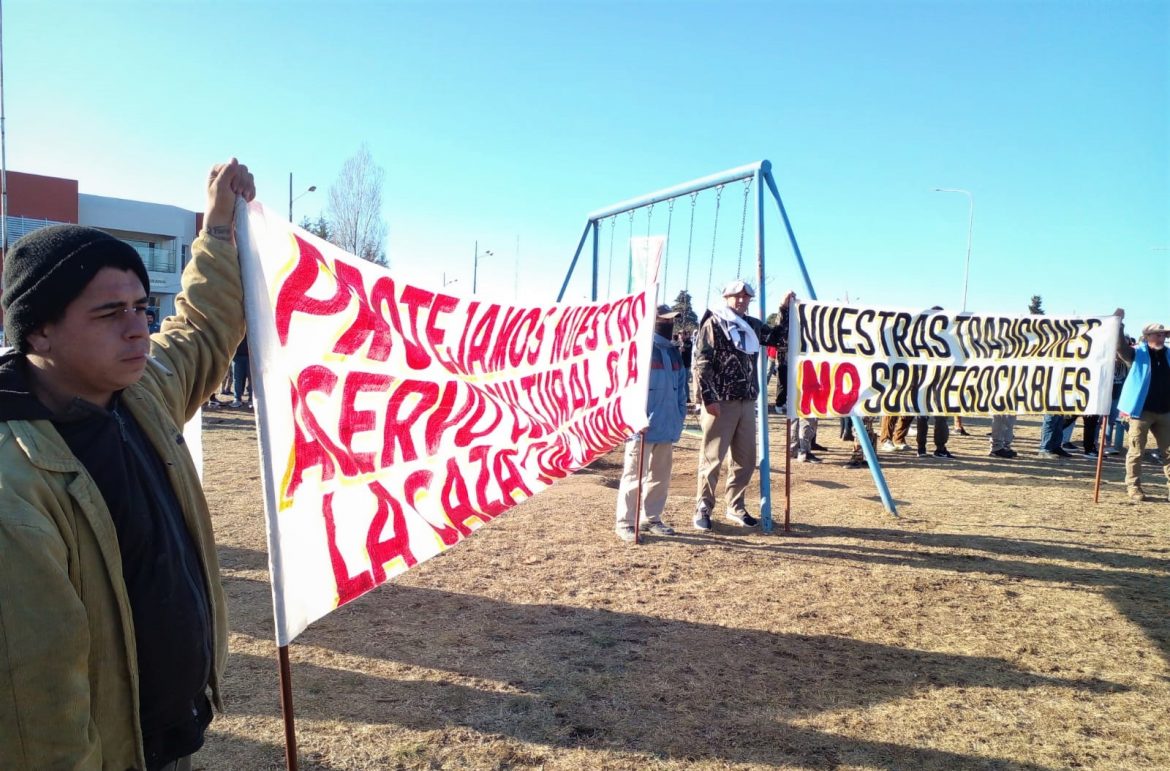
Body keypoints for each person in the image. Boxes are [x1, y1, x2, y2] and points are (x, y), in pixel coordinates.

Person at [0, 159, 255, 770]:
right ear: (38, 332)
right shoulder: (15, 479)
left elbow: (201, 328)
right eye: (110, 313)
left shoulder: (140, 395)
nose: (139, 329)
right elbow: (36, 702)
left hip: (170, 731)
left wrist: (218, 226)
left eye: (142, 308)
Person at [693, 281, 789, 530]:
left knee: (745, 459)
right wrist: (709, 397)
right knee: (712, 458)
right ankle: (703, 507)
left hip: (746, 400)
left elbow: (778, 338)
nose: (741, 300)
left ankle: (735, 505)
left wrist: (784, 309)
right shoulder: (714, 323)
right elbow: (702, 362)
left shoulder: (753, 326)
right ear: (726, 297)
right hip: (720, 401)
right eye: (736, 296)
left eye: (746, 297)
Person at [614, 305, 688, 542]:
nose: (669, 324)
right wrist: (634, 418)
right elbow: (626, 388)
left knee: (660, 477)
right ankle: (626, 522)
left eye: (671, 320)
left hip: (667, 427)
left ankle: (651, 517)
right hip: (642, 428)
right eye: (664, 320)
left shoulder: (674, 352)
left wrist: (678, 418)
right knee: (634, 475)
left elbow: (682, 389)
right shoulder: (639, 349)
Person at [1115, 313, 1170, 502]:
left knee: (1169, 453)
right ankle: (1134, 487)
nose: (1160, 338)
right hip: (1141, 412)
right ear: (1147, 336)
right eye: (1156, 334)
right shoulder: (1136, 353)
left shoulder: (1169, 354)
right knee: (1136, 451)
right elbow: (1120, 348)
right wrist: (1119, 326)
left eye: (1163, 335)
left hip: (1165, 412)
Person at [231, 335, 251, 408]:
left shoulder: (252, 327)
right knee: (237, 379)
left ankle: (251, 399)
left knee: (251, 379)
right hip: (237, 357)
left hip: (250, 356)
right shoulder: (237, 326)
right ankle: (237, 399)